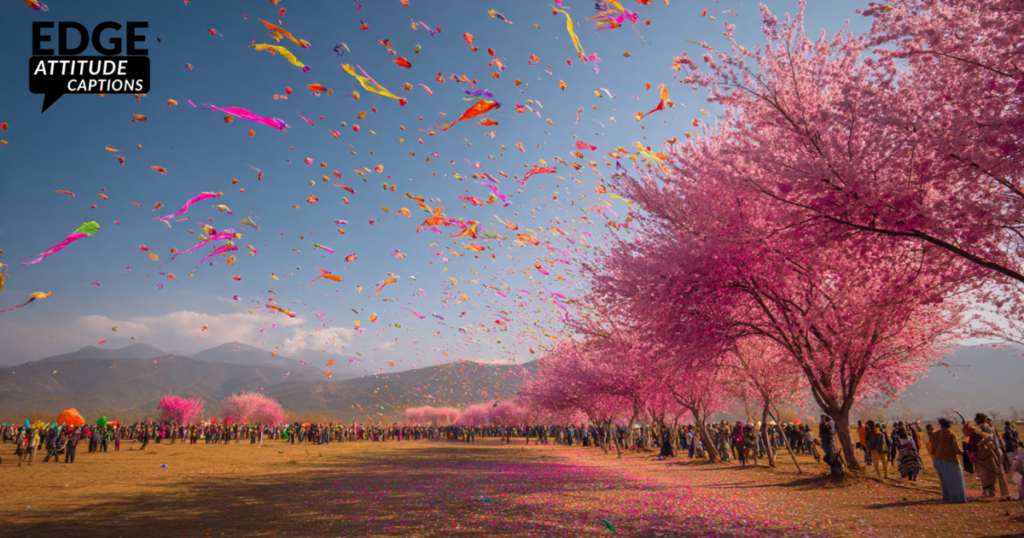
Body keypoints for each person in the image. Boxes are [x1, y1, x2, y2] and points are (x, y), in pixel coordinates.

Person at [964, 421, 1010, 498]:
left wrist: (980, 443)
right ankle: (990, 492)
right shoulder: (971, 438)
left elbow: (988, 437)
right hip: (979, 458)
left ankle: (1004, 493)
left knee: (994, 473)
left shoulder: (980, 434)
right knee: (984, 475)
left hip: (988, 456)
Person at [930, 418, 966, 503]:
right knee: (954, 479)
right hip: (951, 459)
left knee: (944, 479)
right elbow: (956, 448)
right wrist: (963, 453)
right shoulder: (950, 434)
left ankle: (946, 496)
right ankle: (956, 497)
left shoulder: (935, 434)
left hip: (939, 458)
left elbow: (934, 448)